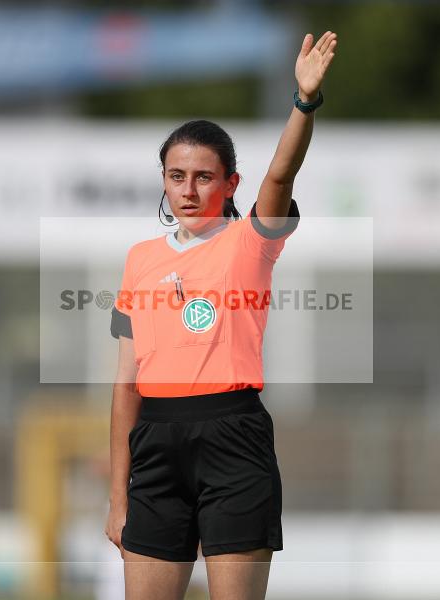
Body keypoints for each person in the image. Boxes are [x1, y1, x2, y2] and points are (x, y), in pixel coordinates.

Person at [104, 31, 337, 600]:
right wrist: (117, 496)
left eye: (204, 177)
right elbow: (126, 383)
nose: (188, 189)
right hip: (156, 446)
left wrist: (303, 101)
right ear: (164, 180)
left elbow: (280, 175)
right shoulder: (139, 260)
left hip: (232, 438)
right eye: (176, 176)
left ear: (230, 182)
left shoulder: (249, 242)